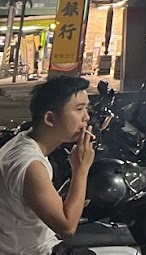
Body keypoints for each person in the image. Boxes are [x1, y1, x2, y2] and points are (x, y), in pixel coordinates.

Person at [0, 76, 94, 255]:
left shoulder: (23, 140)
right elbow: (67, 227)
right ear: (50, 119)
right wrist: (81, 169)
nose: (86, 117)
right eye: (79, 109)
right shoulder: (31, 165)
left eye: (86, 108)